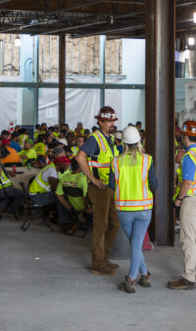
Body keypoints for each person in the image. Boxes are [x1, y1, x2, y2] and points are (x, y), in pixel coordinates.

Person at [110, 125, 158, 294]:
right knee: (136, 245)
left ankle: (131, 279)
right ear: (139, 141)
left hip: (124, 209)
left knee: (135, 244)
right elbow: (155, 184)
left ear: (122, 142)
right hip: (144, 209)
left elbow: (110, 185)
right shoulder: (147, 159)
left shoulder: (115, 161)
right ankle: (144, 275)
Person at [75, 106, 121, 275]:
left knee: (114, 223)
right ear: (100, 122)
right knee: (101, 225)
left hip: (110, 187)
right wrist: (93, 179)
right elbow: (80, 157)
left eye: (113, 121)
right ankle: (97, 263)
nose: (111, 124)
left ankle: (104, 257)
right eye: (108, 121)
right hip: (99, 188)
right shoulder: (95, 139)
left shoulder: (109, 139)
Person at [168, 120, 196, 291]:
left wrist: (179, 199)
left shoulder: (188, 157)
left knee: (188, 239)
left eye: (181, 135)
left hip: (191, 200)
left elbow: (187, 182)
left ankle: (188, 277)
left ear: (185, 137)